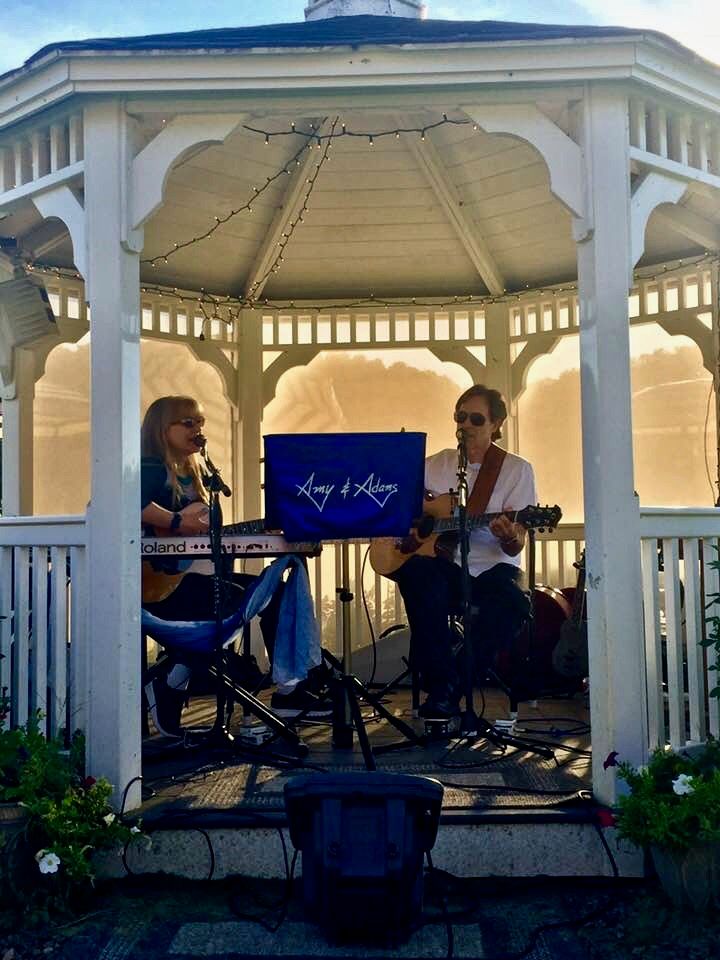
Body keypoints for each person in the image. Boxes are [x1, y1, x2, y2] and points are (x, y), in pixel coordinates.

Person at [140, 395, 330, 737]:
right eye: (187, 423)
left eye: (200, 422)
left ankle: (289, 685)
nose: (197, 429)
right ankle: (175, 675)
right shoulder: (152, 468)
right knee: (241, 600)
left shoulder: (198, 474)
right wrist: (176, 521)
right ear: (161, 428)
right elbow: (128, 503)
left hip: (194, 580)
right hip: (162, 586)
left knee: (274, 592)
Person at [391, 384, 536, 720]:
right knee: (416, 575)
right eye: (460, 417)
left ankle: (451, 686)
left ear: (496, 424)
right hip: (445, 565)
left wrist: (508, 535)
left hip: (493, 567)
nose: (466, 424)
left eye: (476, 419)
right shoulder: (433, 465)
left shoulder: (516, 470)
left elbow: (517, 542)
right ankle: (442, 681)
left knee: (514, 603)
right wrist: (418, 525)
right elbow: (397, 501)